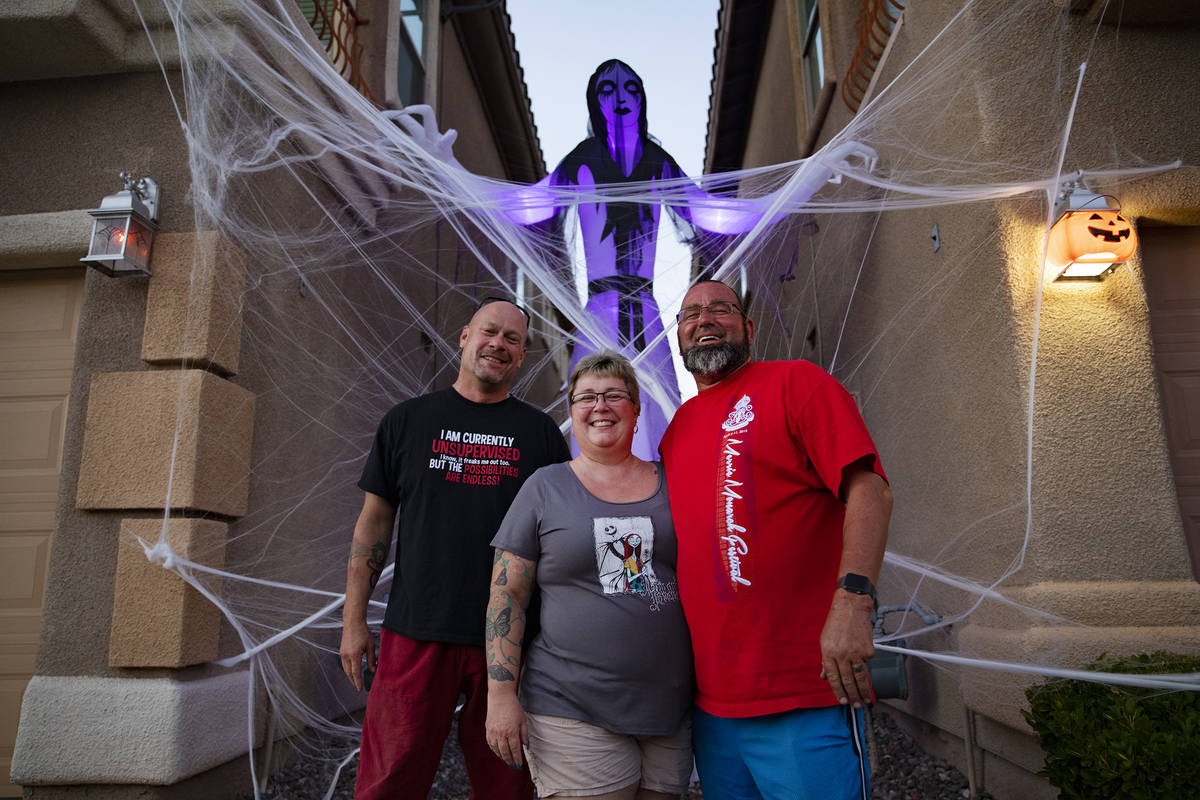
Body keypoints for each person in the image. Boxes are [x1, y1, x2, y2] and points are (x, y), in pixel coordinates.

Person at [658, 279, 893, 800]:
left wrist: (855, 602)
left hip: (804, 689)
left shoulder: (796, 383)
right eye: (690, 314)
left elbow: (870, 491)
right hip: (713, 704)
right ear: (679, 336)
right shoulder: (677, 430)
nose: (704, 320)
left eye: (721, 309)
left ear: (748, 328)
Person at [340, 297, 571, 800]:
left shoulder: (541, 435)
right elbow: (373, 525)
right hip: (416, 629)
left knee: (506, 784)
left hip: (509, 640)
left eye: (512, 339)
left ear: (522, 356)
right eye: (490, 331)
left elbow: (557, 540)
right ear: (465, 337)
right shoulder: (406, 421)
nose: (498, 344)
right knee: (389, 778)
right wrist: (353, 621)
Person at [484, 351, 694, 800]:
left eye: (615, 395)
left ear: (635, 409)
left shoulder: (676, 481)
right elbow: (507, 595)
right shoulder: (544, 487)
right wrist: (500, 695)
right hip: (570, 706)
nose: (600, 406)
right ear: (572, 411)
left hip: (670, 709)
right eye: (587, 397)